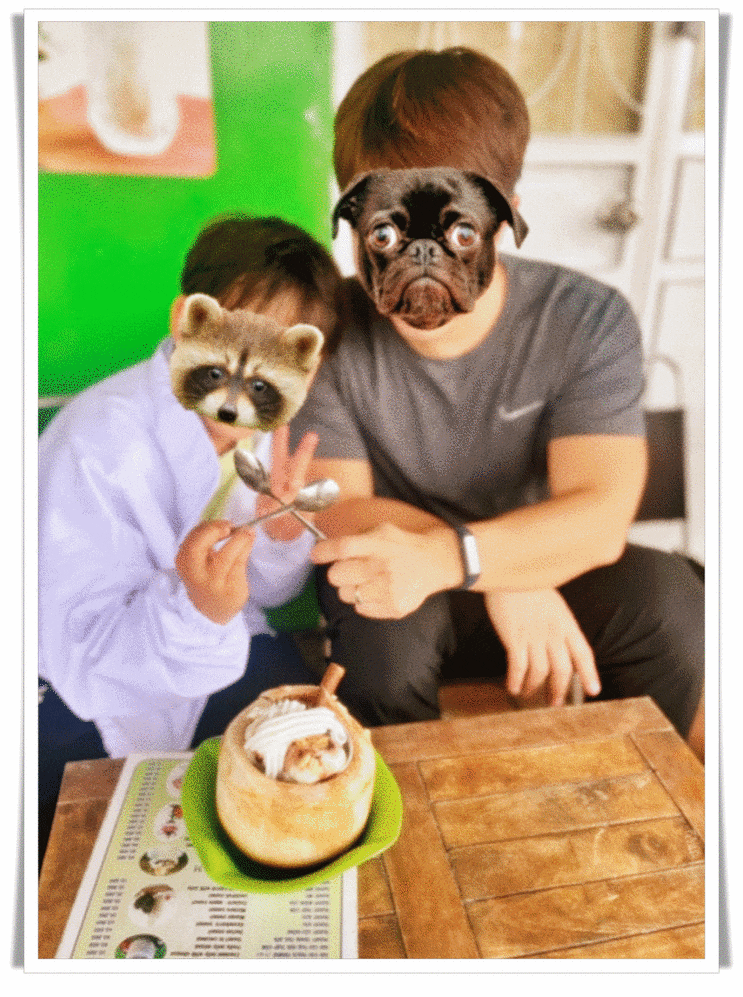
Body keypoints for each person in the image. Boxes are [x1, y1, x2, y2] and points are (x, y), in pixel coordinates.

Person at [289, 47, 705, 760]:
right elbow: (341, 509)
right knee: (376, 623)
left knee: (668, 601)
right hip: (413, 580)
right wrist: (494, 574)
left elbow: (599, 514)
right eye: (385, 231)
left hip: (535, 568)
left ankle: (630, 790)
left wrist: (477, 561)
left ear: (502, 216)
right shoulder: (328, 329)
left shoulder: (587, 319)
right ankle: (408, 808)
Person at [38, 215, 341, 866]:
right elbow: (84, 650)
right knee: (87, 853)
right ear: (186, 321)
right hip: (75, 687)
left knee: (313, 765)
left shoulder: (257, 440)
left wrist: (279, 534)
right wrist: (199, 612)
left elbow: (258, 597)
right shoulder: (96, 444)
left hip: (206, 656)